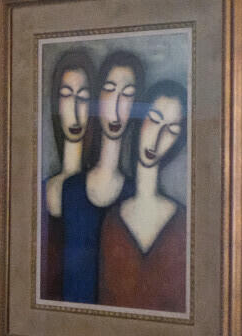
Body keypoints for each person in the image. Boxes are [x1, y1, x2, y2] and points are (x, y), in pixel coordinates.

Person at [60, 49, 145, 304]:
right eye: (109, 90)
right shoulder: (69, 189)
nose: (117, 105)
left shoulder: (135, 195)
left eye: (128, 94)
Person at [99, 80, 188, 313]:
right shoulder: (111, 221)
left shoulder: (184, 224)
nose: (158, 136)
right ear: (139, 121)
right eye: (155, 120)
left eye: (171, 129)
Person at [40, 49, 94, 300]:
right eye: (66, 96)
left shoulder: (100, 191)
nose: (74, 108)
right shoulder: (40, 191)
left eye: (83, 98)